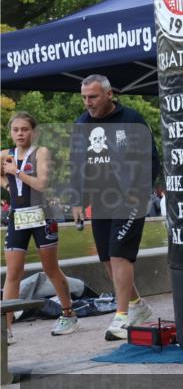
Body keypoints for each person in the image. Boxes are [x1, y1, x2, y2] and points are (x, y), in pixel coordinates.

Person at [71, 74, 158, 341]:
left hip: (130, 199)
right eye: (84, 97)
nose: (88, 103)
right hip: (101, 200)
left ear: (109, 95)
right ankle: (138, 306)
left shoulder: (132, 119)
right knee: (108, 259)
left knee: (120, 255)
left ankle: (122, 317)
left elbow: (151, 159)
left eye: (93, 97)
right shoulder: (81, 124)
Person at [2, 112, 77, 341]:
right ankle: (6, 329)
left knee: (50, 268)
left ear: (33, 132)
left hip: (42, 214)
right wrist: (8, 185)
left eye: (25, 129)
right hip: (18, 217)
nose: (20, 134)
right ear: (10, 132)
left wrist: (16, 172)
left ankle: (68, 314)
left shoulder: (41, 152)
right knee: (13, 272)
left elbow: (42, 184)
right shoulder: (5, 154)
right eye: (16, 130)